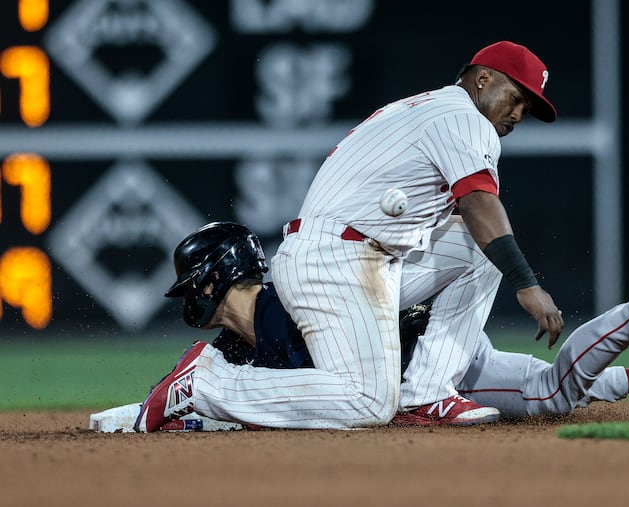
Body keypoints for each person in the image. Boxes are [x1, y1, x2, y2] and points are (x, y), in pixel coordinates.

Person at [138, 39, 568, 430]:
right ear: (483, 78)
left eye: (526, 108)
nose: (517, 114)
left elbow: (468, 220)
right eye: (516, 98)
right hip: (337, 261)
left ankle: (428, 394)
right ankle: (207, 384)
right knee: (369, 402)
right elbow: (478, 202)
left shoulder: (427, 109)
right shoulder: (464, 118)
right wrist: (526, 284)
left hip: (360, 257)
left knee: (479, 247)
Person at [134, 221, 629, 431]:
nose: (192, 298)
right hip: (443, 358)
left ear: (215, 277)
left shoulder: (295, 293)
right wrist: (124, 422)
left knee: (546, 394)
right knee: (552, 395)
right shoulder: (238, 345)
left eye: (194, 284)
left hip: (432, 357)